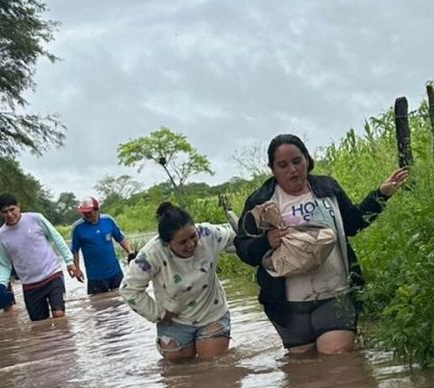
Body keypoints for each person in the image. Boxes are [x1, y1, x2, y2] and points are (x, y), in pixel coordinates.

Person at [235, 133, 407, 355]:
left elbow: (352, 223)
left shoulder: (327, 189)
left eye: (297, 161)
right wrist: (266, 242)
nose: (292, 170)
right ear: (273, 169)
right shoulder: (260, 201)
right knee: (303, 374)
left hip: (335, 294)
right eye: (283, 165)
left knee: (337, 358)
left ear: (307, 159)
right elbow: (244, 249)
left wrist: (381, 195)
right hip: (288, 307)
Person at [121, 202, 235, 361]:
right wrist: (158, 314)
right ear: (167, 244)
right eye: (182, 242)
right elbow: (128, 289)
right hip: (174, 320)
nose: (191, 244)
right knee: (178, 370)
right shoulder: (152, 253)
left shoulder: (208, 234)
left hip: (212, 313)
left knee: (213, 366)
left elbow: (236, 235)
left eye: (193, 236)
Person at [0, 194, 83, 321]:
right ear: (0, 213)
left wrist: (69, 261)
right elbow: (3, 264)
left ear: (19, 206)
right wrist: (1, 285)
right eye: (5, 212)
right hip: (30, 285)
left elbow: (56, 238)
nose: (9, 214)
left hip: (52, 275)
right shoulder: (0, 236)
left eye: (12, 209)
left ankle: (65, 340)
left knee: (59, 315)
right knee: (40, 326)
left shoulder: (35, 218)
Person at [70, 197, 135, 294]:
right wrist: (77, 269)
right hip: (95, 277)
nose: (86, 215)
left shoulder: (108, 220)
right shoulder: (77, 227)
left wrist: (130, 253)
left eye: (89, 212)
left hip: (115, 273)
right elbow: (75, 250)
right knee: (98, 305)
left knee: (122, 301)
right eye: (84, 212)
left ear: (96, 210)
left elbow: (120, 238)